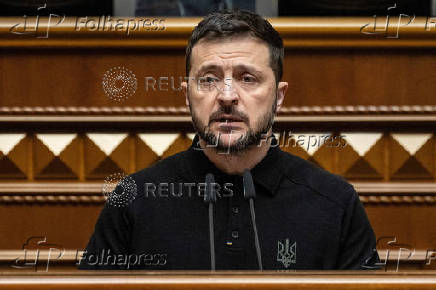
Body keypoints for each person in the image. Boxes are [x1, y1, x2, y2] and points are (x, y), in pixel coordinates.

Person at [79, 9, 380, 270]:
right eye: (208, 79)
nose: (226, 96)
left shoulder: (336, 203)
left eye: (247, 78)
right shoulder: (133, 200)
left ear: (279, 96)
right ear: (187, 95)